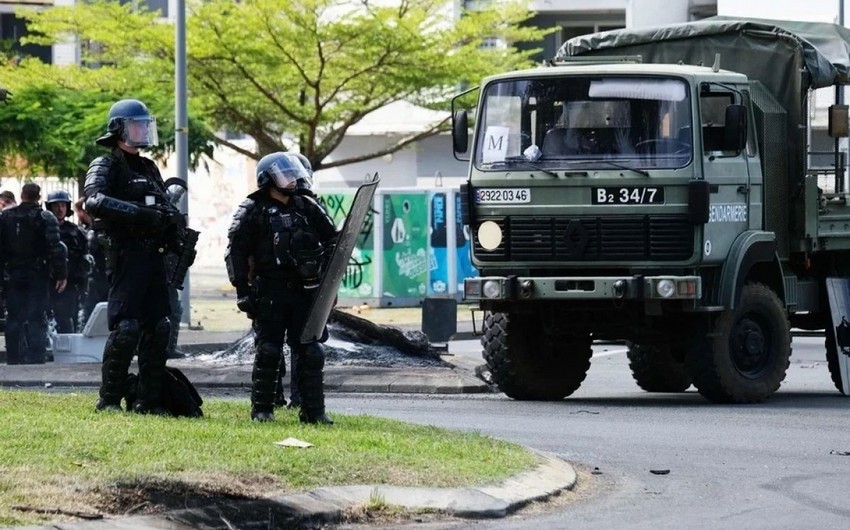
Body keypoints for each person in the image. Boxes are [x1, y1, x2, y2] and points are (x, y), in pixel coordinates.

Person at [84, 98, 185, 413]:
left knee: (160, 327)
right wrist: (140, 215)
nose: (143, 129)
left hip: (154, 257)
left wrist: (174, 230)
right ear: (119, 129)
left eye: (145, 124)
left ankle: (147, 399)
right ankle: (110, 399)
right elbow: (94, 201)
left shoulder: (149, 166)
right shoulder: (106, 164)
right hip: (126, 256)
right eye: (136, 124)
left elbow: (163, 207)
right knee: (126, 328)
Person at [225, 152, 338, 423]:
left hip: (304, 291)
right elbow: (235, 252)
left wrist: (325, 282)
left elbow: (334, 241)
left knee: (311, 351)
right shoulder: (252, 209)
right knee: (269, 351)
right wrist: (242, 291)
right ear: (268, 179)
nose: (292, 179)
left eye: (293, 173)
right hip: (270, 291)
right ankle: (263, 410)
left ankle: (313, 412)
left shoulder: (307, 206)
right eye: (285, 174)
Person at [0, 183, 68, 364]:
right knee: (37, 318)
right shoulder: (45, 218)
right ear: (38, 198)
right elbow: (56, 248)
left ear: (22, 195)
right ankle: (36, 359)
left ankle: (13, 358)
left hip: (13, 274)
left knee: (13, 317)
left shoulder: (6, 217)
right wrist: (61, 274)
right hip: (37, 275)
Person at [45, 190, 91, 333]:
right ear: (50, 207)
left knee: (68, 319)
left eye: (63, 205)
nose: (60, 209)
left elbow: (84, 256)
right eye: (56, 206)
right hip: (47, 281)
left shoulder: (75, 231)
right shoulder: (42, 229)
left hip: (70, 283)